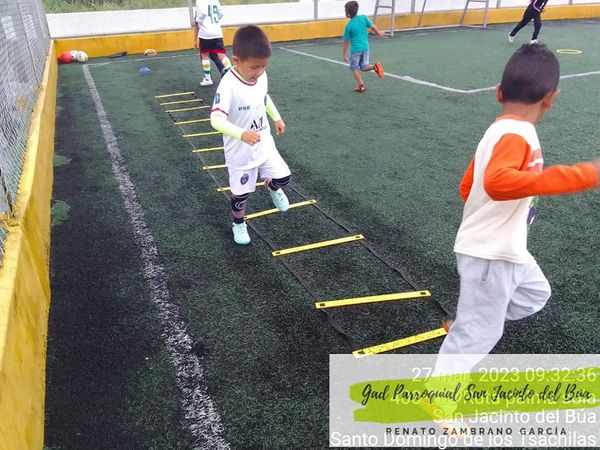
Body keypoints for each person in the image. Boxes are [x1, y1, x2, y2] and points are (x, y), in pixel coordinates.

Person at [438, 43, 599, 363]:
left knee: (534, 293)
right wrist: (583, 175)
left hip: (504, 247)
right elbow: (496, 182)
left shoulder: (500, 130)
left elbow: (468, 185)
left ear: (499, 92)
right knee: (480, 335)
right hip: (492, 253)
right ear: (551, 98)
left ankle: (472, 319)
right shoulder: (517, 133)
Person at [210, 25, 292, 245]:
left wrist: (276, 117)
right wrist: (242, 134)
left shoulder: (261, 76)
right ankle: (238, 223)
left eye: (264, 66)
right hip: (240, 151)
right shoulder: (228, 85)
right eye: (254, 67)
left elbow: (263, 97)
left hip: (264, 142)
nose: (259, 71)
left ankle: (272, 187)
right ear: (236, 61)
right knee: (241, 195)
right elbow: (216, 120)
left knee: (284, 178)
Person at [342, 0, 385, 93]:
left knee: (354, 67)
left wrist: (344, 54)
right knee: (363, 67)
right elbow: (372, 26)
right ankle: (375, 67)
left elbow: (345, 41)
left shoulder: (348, 26)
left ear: (348, 14)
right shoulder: (363, 18)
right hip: (365, 48)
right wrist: (378, 33)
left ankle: (361, 85)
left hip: (356, 50)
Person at [192, 0, 232, 86]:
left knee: (204, 55)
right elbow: (220, 13)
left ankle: (208, 78)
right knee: (222, 55)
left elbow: (203, 13)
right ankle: (232, 75)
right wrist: (213, 22)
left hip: (206, 33)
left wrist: (198, 20)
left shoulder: (200, 1)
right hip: (217, 32)